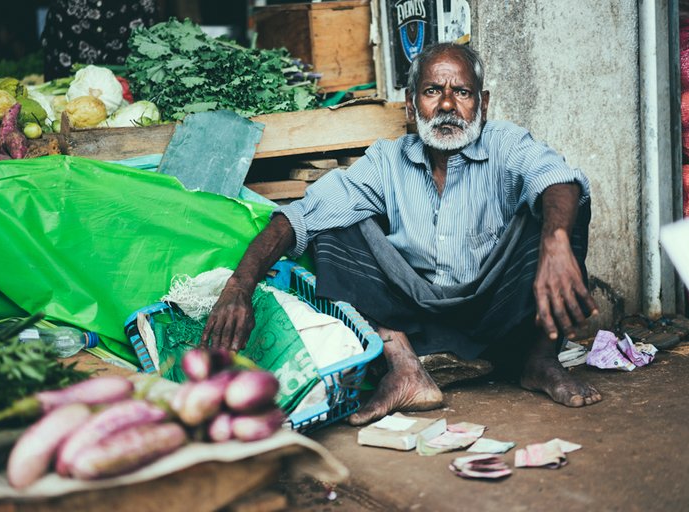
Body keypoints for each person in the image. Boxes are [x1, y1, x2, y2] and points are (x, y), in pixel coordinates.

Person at [202, 42, 602, 426]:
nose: (447, 105)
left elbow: (556, 176)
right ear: (412, 104)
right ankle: (406, 369)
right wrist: (240, 284)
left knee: (562, 208)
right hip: (418, 323)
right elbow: (300, 217)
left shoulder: (506, 144)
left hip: (499, 311)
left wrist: (555, 241)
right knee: (334, 225)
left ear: (483, 103)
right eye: (432, 91)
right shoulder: (387, 161)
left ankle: (539, 359)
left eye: (462, 92)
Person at [40, 0, 158, 80]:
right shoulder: (62, 7)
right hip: (73, 96)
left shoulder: (142, 5)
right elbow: (54, 71)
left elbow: (152, 58)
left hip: (127, 93)